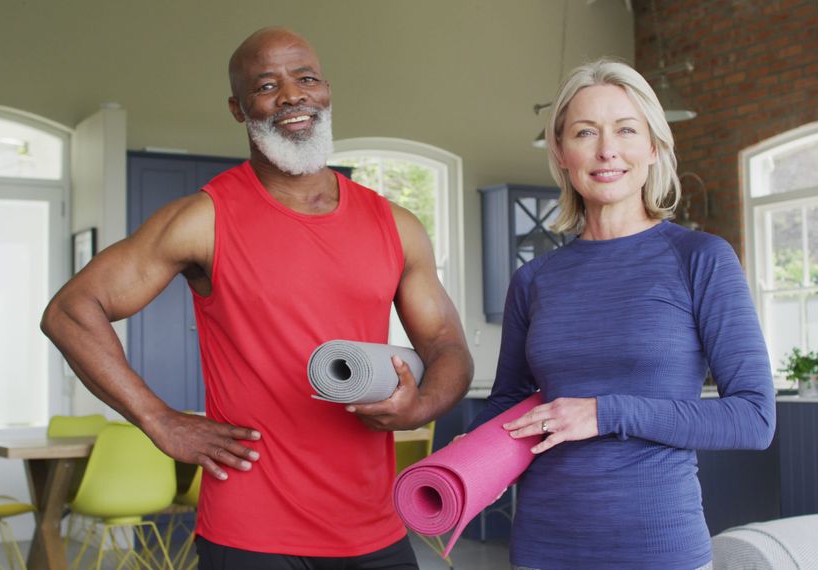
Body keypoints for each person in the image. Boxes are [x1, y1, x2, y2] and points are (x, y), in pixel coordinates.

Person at [41, 26, 473, 569]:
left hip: (372, 527)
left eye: (305, 79)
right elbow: (69, 311)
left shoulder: (397, 225)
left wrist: (422, 406)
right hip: (251, 533)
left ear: (326, 91)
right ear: (238, 108)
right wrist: (159, 419)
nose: (292, 95)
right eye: (266, 85)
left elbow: (445, 344)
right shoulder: (203, 219)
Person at [466, 58, 776, 570]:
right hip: (543, 548)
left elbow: (753, 418)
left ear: (652, 148)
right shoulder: (535, 280)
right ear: (562, 154)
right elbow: (511, 407)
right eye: (586, 133)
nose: (607, 150)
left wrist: (604, 412)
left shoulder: (700, 259)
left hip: (658, 548)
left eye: (626, 130)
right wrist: (464, 448)